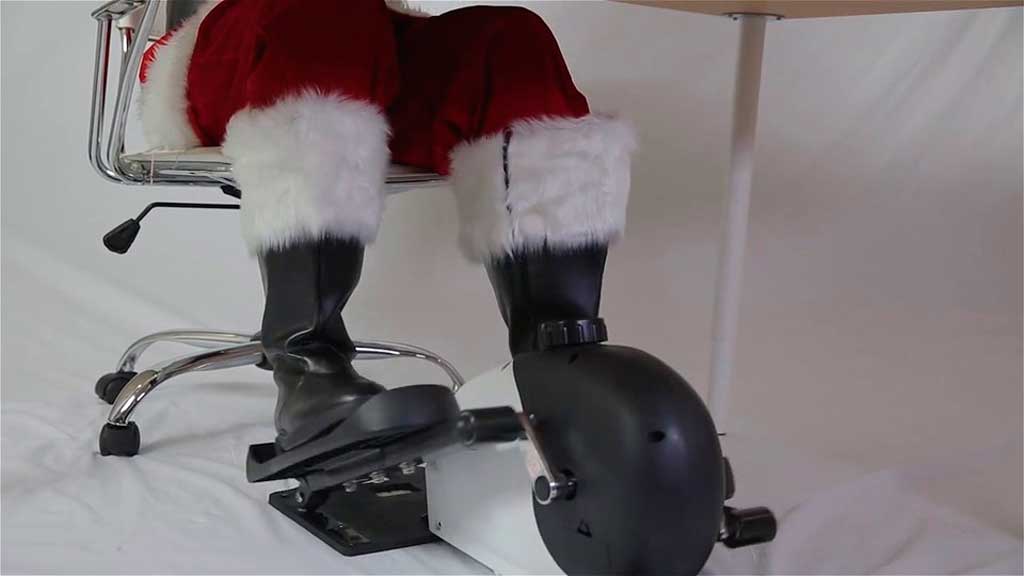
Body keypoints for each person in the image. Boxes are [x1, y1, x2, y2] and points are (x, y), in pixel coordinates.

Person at [140, 0, 635, 451]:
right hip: (239, 44)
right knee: (324, 14)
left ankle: (558, 366)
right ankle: (307, 371)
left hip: (372, 40)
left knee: (511, 39)